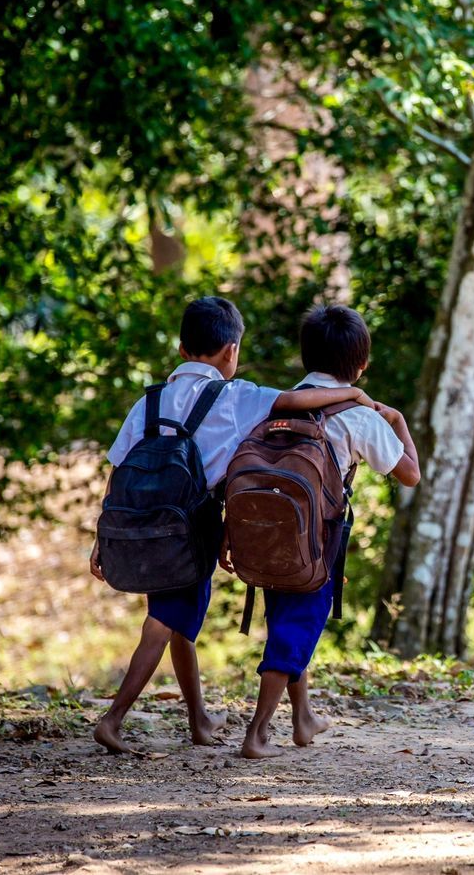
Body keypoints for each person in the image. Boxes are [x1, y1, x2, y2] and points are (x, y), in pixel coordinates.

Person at [89, 297, 373, 755]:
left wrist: (103, 536)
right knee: (163, 621)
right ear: (231, 352)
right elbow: (298, 399)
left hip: (143, 524)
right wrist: (353, 395)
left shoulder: (151, 399)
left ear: (182, 349)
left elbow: (117, 470)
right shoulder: (235, 395)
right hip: (192, 526)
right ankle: (113, 718)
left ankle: (199, 719)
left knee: (181, 622)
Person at [226, 304, 420, 759]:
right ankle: (256, 734)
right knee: (295, 630)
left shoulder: (275, 404)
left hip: (264, 535)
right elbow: (410, 474)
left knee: (288, 624)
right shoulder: (360, 415)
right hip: (319, 539)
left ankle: (303, 718)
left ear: (305, 357)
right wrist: (399, 423)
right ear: (361, 364)